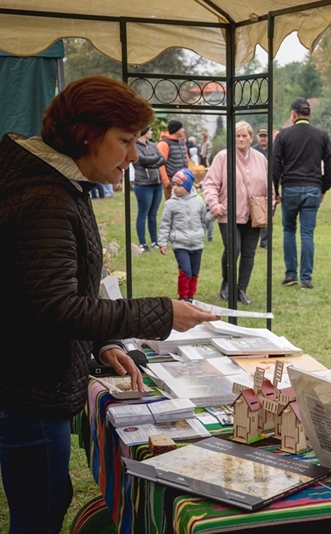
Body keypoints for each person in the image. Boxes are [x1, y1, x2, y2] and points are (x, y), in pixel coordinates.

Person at [0, 75, 217, 534]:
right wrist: (162, 313)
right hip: (28, 388)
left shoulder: (57, 185)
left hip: (31, 381)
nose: (134, 155)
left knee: (48, 499)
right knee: (38, 513)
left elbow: (63, 284)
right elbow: (56, 308)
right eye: (125, 140)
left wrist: (105, 343)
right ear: (86, 135)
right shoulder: (45, 197)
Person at [202, 120, 269, 305]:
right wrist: (214, 203)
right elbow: (210, 183)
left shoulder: (261, 159)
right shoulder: (223, 157)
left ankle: (241, 289)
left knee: (249, 252)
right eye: (237, 136)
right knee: (233, 249)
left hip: (254, 215)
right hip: (228, 213)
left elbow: (268, 186)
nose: (240, 139)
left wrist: (269, 206)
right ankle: (227, 282)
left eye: (244, 136)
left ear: (251, 138)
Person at [273, 97, 331, 289]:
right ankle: (306, 279)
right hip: (313, 187)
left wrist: (275, 189)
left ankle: (291, 274)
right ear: (309, 114)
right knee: (307, 233)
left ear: (293, 114)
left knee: (289, 230)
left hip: (290, 187)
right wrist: (323, 188)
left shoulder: (284, 135)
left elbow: (275, 163)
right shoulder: (321, 135)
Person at [158, 169, 213, 301]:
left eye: (179, 185)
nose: (175, 188)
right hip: (180, 244)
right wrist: (162, 242)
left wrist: (213, 215)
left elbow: (204, 219)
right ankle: (183, 296)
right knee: (185, 271)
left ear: (188, 186)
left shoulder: (199, 201)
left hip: (197, 244)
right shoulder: (170, 204)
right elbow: (165, 224)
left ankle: (190, 296)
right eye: (174, 184)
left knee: (194, 272)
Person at [133, 125, 166, 252]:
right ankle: (142, 243)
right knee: (143, 213)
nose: (152, 132)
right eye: (150, 130)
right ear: (144, 132)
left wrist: (151, 164)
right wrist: (153, 161)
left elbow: (162, 158)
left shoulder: (152, 145)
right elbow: (143, 160)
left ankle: (154, 241)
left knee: (153, 214)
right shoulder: (135, 146)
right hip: (143, 185)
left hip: (156, 183)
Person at [158, 119, 190, 200]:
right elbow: (161, 164)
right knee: (173, 205)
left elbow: (187, 161)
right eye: (181, 128)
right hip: (172, 182)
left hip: (184, 181)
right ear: (176, 130)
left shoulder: (182, 143)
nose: (183, 130)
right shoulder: (163, 144)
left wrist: (189, 176)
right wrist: (166, 181)